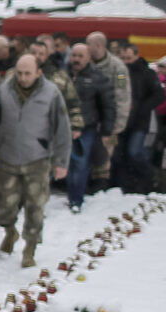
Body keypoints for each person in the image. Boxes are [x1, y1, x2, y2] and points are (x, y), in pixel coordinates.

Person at [0, 54, 71, 267]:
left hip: (37, 158)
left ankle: (30, 248)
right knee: (4, 207)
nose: (23, 78)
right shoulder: (4, 91)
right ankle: (10, 231)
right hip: (8, 157)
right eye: (19, 73)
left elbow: (62, 128)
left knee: (35, 206)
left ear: (38, 72)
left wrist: (61, 162)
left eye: (28, 73)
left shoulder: (51, 93)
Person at [67, 44, 115, 213]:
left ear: (88, 58)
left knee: (80, 162)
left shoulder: (97, 77)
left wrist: (107, 130)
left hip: (86, 127)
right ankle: (69, 192)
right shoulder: (63, 73)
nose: (76, 59)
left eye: (80, 56)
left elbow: (109, 105)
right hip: (64, 126)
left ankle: (76, 199)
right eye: (74, 55)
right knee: (66, 162)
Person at [115, 43, 163, 194]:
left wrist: (142, 108)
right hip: (123, 120)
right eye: (123, 58)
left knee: (135, 151)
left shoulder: (146, 73)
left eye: (129, 58)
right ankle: (129, 183)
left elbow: (158, 95)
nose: (126, 61)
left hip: (140, 121)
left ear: (136, 55)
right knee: (122, 154)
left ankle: (149, 176)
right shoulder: (120, 73)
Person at [86, 32, 130, 190]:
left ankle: (100, 186)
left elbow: (123, 95)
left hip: (108, 120)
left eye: (88, 44)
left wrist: (117, 124)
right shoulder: (87, 64)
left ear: (98, 45)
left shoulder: (118, 68)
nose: (86, 47)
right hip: (90, 119)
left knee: (104, 157)